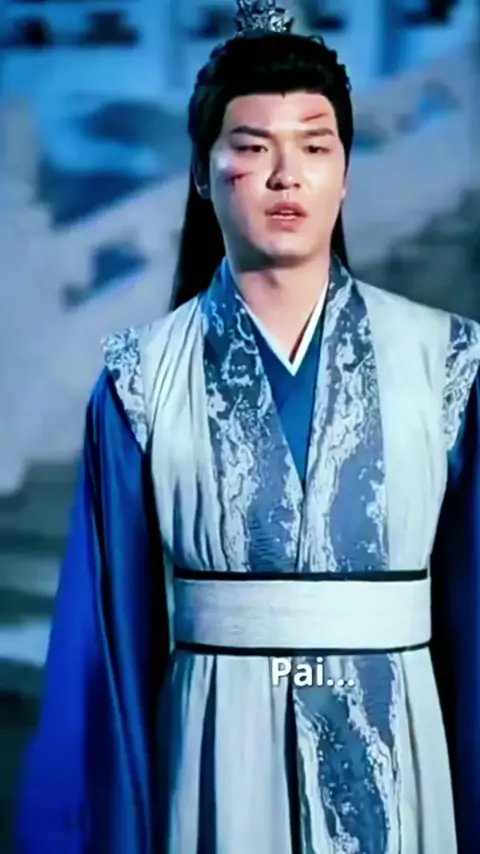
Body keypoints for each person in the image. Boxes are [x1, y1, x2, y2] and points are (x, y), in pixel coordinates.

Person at [16, 2, 480, 852]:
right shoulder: (140, 379)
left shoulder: (448, 361)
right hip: (214, 751)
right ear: (203, 172)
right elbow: (106, 656)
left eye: (315, 146)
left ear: (346, 171)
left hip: (403, 754)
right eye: (253, 146)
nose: (285, 176)